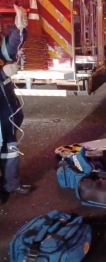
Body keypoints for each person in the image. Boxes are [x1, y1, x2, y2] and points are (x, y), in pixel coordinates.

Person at [0, 5, 30, 202]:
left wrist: (18, 30)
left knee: (9, 146)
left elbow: (8, 51)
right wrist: (2, 73)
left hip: (4, 106)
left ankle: (11, 182)